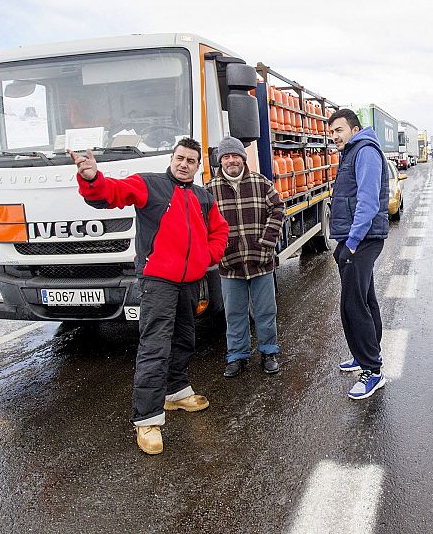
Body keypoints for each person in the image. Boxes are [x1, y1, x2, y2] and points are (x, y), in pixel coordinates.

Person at [68, 138, 229, 455]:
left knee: (185, 337)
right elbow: (111, 193)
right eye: (180, 158)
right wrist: (91, 179)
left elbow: (219, 230)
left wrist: (207, 255)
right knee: (155, 345)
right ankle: (147, 420)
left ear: (198, 167)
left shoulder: (202, 197)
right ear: (172, 158)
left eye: (191, 161)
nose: (184, 164)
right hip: (157, 280)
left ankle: (176, 391)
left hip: (189, 280)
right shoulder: (148, 185)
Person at [206, 137, 286, 377]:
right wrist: (217, 250)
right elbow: (203, 224)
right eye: (226, 157)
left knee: (265, 311)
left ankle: (268, 352)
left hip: (260, 261)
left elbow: (278, 210)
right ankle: (237, 356)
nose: (231, 160)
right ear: (221, 161)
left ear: (243, 158)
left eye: (235, 156)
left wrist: (267, 244)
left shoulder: (261, 183)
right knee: (234, 313)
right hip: (229, 264)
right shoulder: (210, 190)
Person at [327, 108, 390, 400]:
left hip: (361, 238)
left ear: (354, 129)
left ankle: (372, 371)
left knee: (353, 305)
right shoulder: (355, 151)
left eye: (339, 130)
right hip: (359, 237)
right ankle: (365, 355)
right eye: (332, 132)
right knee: (365, 299)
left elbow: (367, 200)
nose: (334, 136)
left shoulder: (364, 151)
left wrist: (351, 242)